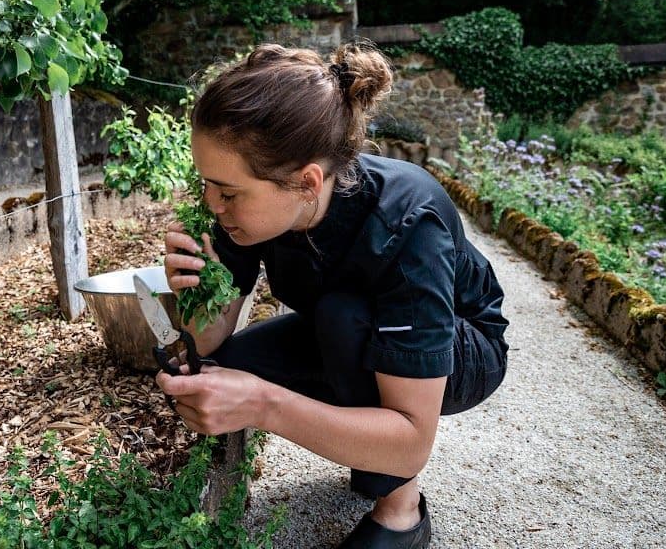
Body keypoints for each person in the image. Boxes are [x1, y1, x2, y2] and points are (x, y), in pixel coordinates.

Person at [159, 41, 509, 548]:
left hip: (462, 348)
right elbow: (207, 340)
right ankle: (366, 446)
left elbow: (413, 441)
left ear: (307, 182)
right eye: (207, 184)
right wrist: (194, 288)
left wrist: (263, 405)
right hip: (341, 325)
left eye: (228, 192)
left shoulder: (407, 222)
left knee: (343, 317)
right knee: (222, 366)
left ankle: (401, 511)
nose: (213, 203)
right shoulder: (249, 215)